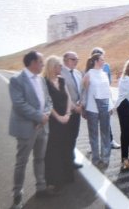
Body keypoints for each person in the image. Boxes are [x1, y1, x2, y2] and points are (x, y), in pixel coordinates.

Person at [8, 51, 54, 209]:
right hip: (27, 128)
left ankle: (41, 187)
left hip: (42, 126)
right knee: (21, 162)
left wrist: (46, 114)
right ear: (33, 63)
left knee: (40, 159)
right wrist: (39, 117)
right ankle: (17, 195)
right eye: (41, 62)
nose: (43, 65)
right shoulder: (16, 80)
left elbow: (48, 100)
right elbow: (19, 104)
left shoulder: (41, 79)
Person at [44, 56, 73, 190]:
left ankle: (67, 176)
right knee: (54, 150)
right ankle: (55, 180)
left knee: (66, 147)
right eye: (59, 66)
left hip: (66, 119)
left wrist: (67, 114)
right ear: (52, 67)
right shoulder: (44, 82)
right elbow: (47, 103)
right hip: (53, 121)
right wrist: (59, 117)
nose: (61, 68)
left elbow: (68, 98)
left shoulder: (61, 80)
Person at [82, 53, 113, 167]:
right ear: (96, 61)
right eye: (102, 59)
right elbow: (84, 92)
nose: (104, 61)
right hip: (92, 109)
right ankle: (95, 159)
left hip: (105, 108)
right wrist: (83, 108)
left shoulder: (104, 74)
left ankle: (105, 158)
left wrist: (110, 106)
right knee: (94, 135)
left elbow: (108, 92)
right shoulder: (88, 75)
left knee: (105, 134)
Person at [89, 47, 120, 149]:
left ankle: (110, 141)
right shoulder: (89, 68)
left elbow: (108, 84)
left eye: (102, 55)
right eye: (98, 55)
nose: (101, 58)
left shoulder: (106, 66)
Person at [61, 51, 83, 169]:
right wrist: (74, 107)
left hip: (77, 110)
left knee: (74, 135)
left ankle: (71, 160)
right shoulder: (60, 73)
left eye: (77, 59)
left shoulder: (78, 73)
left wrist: (80, 104)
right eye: (73, 59)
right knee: (65, 137)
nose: (75, 61)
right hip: (65, 111)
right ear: (65, 60)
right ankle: (65, 162)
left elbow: (81, 91)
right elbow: (62, 94)